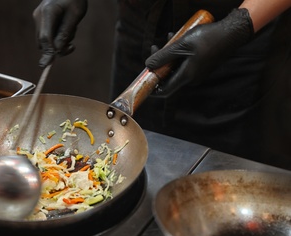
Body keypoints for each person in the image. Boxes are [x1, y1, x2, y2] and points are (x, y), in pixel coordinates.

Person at [33, 0, 291, 169]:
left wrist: (241, 24)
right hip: (140, 22)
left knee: (224, 182)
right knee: (126, 165)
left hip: (240, 36)